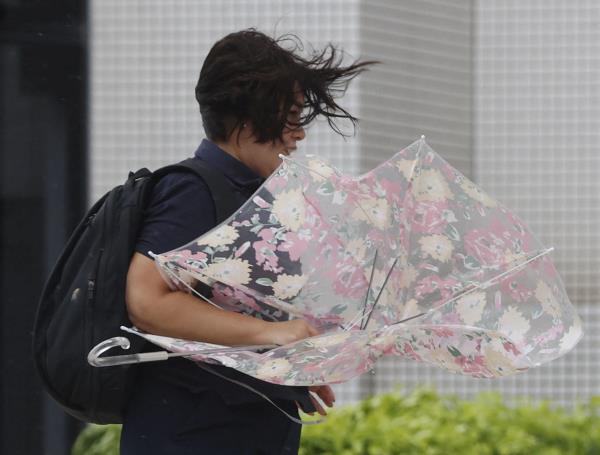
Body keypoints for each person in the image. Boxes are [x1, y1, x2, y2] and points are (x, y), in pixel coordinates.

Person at [121, 29, 375, 454]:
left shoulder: (250, 195)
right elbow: (146, 300)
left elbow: (226, 313)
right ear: (250, 117)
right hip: (193, 433)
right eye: (292, 116)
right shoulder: (195, 189)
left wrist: (285, 363)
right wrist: (274, 335)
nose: (299, 134)